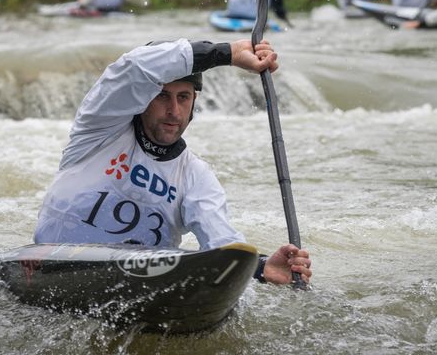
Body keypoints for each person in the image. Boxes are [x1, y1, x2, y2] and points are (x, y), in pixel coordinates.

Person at [33, 38, 312, 286]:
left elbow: (222, 246)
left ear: (193, 102)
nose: (174, 111)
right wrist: (228, 53)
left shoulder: (196, 176)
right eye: (162, 96)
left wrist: (261, 268)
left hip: (135, 284)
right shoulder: (100, 126)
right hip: (53, 267)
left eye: (183, 97)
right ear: (142, 99)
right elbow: (135, 66)